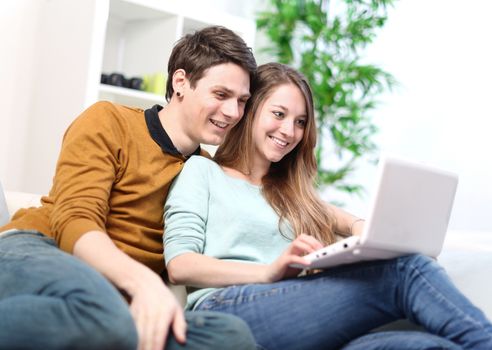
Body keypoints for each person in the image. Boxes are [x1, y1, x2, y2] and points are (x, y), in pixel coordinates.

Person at [163, 62, 492, 350]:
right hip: (230, 309)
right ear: (249, 111)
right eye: (279, 114)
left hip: (299, 319)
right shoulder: (203, 171)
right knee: (408, 269)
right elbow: (180, 264)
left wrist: (371, 235)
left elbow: (351, 223)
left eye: (301, 122)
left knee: (428, 345)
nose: (289, 131)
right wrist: (268, 272)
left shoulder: (293, 193)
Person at [0, 26, 257, 350]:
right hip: (37, 249)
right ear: (181, 82)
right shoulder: (109, 120)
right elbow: (75, 219)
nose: (233, 112)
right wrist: (144, 282)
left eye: (242, 101)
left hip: (115, 305)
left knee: (231, 336)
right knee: (108, 318)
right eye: (221, 95)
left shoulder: (206, 172)